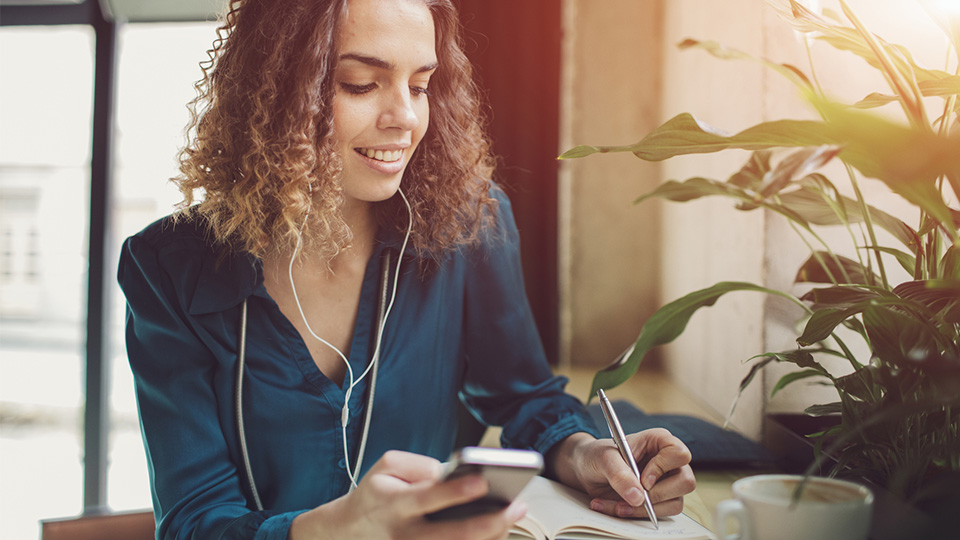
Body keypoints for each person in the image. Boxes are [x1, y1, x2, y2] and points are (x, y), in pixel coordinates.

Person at [118, 0, 697, 538]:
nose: (405, 118)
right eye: (361, 84)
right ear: (271, 92)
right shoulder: (167, 269)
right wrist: (337, 529)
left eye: (421, 85)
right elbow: (194, 520)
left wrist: (584, 455)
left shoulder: (472, 222)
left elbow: (523, 398)